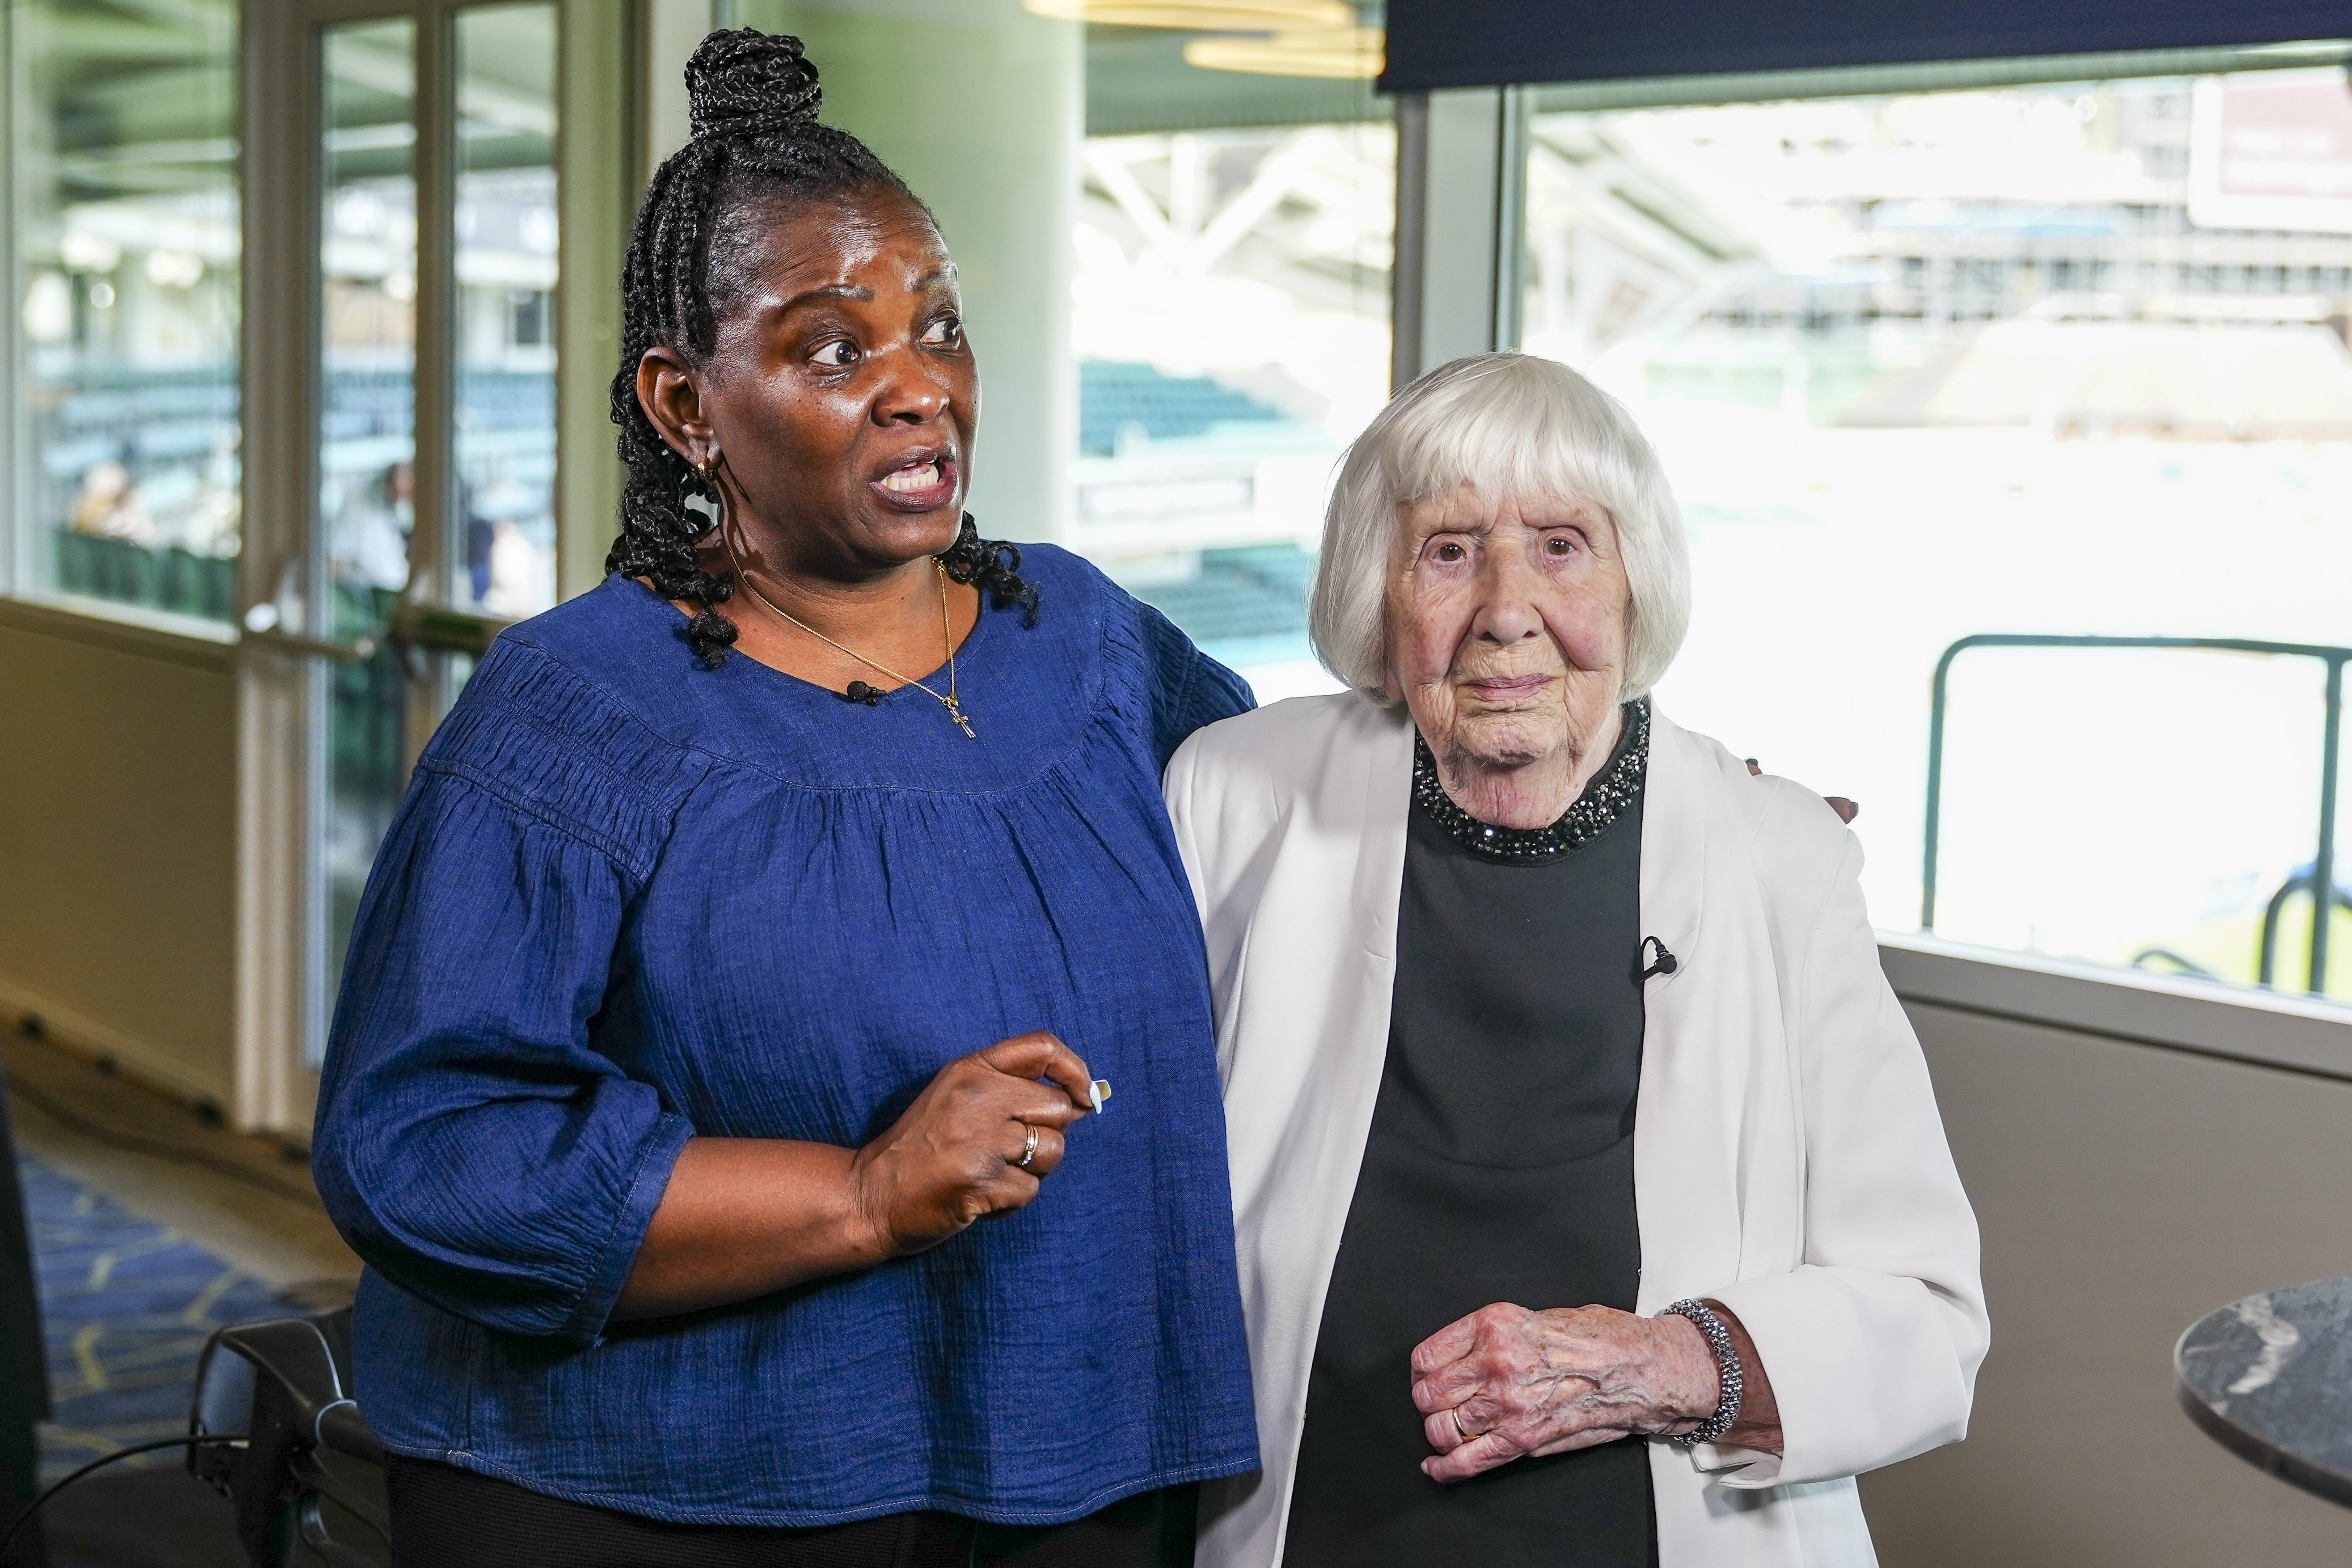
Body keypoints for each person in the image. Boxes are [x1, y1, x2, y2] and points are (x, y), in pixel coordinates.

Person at [312, 31, 1258, 1567]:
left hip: (1081, 1456)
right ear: (686, 406)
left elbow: (1307, 834)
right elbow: (426, 1152)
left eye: (938, 330)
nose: (917, 391)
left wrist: (1699, 814)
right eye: (834, 349)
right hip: (668, 1496)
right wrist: (866, 1194)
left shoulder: (1087, 645)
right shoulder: (577, 709)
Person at [1163, 353, 1987, 1567]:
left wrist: (1661, 1368)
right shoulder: (1238, 793)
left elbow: (1927, 1319)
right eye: (1447, 552)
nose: (1505, 610)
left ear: (1633, 584)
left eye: (1560, 546)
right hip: (1313, 1520)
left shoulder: (1774, 855)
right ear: (1376, 599)